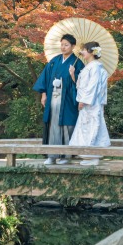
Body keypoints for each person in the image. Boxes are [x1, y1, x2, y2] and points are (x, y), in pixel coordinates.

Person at [33, 34, 84, 165]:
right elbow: (44, 78)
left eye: (66, 45)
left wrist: (73, 74)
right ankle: (51, 155)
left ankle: (66, 156)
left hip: (67, 100)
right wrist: (44, 94)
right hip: (52, 98)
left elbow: (83, 83)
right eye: (62, 44)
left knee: (67, 125)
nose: (63, 47)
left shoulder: (77, 63)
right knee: (52, 125)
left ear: (73, 46)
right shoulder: (54, 61)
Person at [68, 41, 110, 166]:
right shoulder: (91, 66)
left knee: (92, 128)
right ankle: (88, 156)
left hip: (91, 104)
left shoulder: (95, 67)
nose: (82, 52)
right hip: (89, 103)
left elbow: (93, 87)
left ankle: (92, 156)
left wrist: (83, 100)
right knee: (86, 128)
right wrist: (72, 74)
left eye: (84, 50)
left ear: (91, 52)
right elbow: (82, 86)